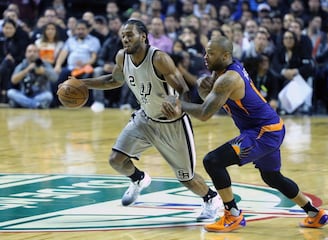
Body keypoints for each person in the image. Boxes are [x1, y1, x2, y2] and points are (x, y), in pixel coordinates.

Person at [161, 36, 328, 232]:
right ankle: (314, 213)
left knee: (213, 161)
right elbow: (211, 99)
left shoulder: (228, 79)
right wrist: (203, 89)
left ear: (225, 56)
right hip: (270, 127)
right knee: (272, 178)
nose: (205, 57)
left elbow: (205, 113)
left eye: (211, 53)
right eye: (206, 52)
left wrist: (180, 105)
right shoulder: (225, 70)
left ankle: (232, 215)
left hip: (264, 132)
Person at [67, 19, 222, 221]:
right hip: (145, 118)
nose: (125, 39)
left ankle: (211, 198)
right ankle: (139, 179)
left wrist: (175, 103)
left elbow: (183, 90)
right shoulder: (122, 57)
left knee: (187, 179)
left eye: (129, 35)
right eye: (123, 35)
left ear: (143, 36)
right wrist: (81, 83)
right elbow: (114, 80)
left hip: (172, 124)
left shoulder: (159, 58)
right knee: (116, 160)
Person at [7, 44, 58, 109]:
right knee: (10, 92)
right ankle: (36, 105)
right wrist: (27, 70)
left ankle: (24, 103)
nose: (32, 53)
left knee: (48, 96)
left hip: (40, 95)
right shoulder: (22, 65)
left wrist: (44, 71)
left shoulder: (44, 64)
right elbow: (13, 80)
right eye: (30, 51)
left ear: (38, 54)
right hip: (24, 94)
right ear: (26, 54)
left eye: (35, 51)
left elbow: (55, 78)